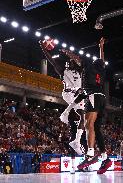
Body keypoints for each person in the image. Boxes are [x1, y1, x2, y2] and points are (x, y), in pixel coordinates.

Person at [39, 39, 86, 172]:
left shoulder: (80, 71)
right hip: (68, 94)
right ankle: (66, 112)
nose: (71, 62)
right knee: (82, 97)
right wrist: (43, 48)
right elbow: (50, 59)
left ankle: (76, 141)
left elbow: (80, 60)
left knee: (84, 117)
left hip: (76, 96)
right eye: (69, 62)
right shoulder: (63, 71)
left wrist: (69, 52)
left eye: (72, 61)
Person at [77, 37, 112, 174]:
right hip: (103, 99)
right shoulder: (101, 70)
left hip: (93, 96)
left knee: (88, 124)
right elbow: (102, 60)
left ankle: (90, 154)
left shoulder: (89, 67)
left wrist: (67, 53)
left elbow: (79, 59)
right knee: (97, 128)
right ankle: (105, 157)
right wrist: (101, 47)